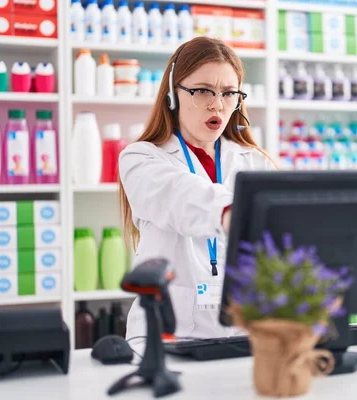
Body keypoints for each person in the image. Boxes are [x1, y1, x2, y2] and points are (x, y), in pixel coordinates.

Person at [118, 37, 275, 343]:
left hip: (243, 336)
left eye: (229, 93)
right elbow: (179, 195)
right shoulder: (141, 157)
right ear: (173, 95)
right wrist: (235, 213)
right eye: (202, 90)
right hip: (164, 338)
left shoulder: (256, 162)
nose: (217, 104)